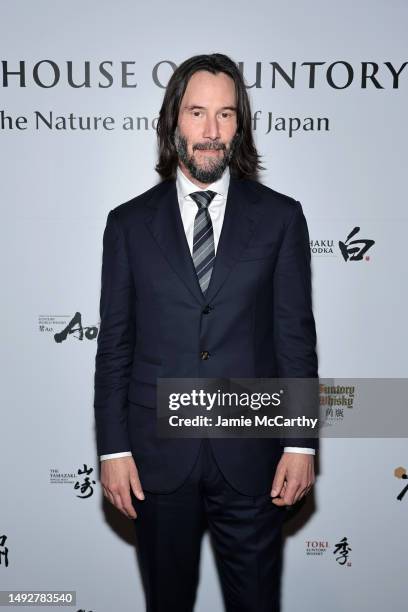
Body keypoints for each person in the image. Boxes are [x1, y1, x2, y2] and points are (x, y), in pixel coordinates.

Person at [94, 53, 318, 612]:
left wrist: (299, 442)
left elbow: (294, 338)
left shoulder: (281, 218)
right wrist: (114, 448)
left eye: (225, 115)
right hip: (156, 459)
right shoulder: (127, 224)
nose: (211, 131)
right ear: (174, 120)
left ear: (240, 125)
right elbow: (115, 345)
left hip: (253, 457)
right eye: (197, 113)